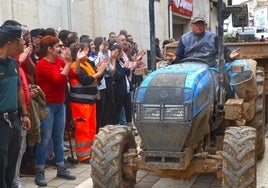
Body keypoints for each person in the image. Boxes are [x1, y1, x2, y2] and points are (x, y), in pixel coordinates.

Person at [35, 35, 79, 186]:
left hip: (60, 104)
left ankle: (61, 167)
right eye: (58, 46)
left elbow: (74, 74)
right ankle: (40, 171)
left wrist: (76, 61)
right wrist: (68, 63)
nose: (61, 49)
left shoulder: (59, 61)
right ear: (49, 49)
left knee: (59, 138)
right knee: (45, 139)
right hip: (47, 105)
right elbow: (58, 79)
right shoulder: (42, 64)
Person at [0, 23, 31, 188]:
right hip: (1, 123)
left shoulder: (13, 64)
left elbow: (19, 89)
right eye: (20, 39)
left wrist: (25, 114)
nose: (23, 43)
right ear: (10, 42)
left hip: (14, 120)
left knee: (12, 165)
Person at [69, 42, 107, 163]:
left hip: (90, 101)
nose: (88, 52)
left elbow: (96, 78)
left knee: (91, 128)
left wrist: (100, 71)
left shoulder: (87, 64)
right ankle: (83, 155)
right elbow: (85, 80)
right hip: (80, 103)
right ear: (78, 52)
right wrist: (99, 72)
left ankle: (90, 152)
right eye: (85, 50)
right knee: (83, 129)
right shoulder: (75, 65)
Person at [166, 16, 240, 66]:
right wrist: (174, 59)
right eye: (196, 24)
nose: (199, 26)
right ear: (191, 26)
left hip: (208, 67)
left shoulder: (213, 37)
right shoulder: (185, 38)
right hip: (188, 67)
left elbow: (223, 51)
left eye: (201, 24)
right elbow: (179, 56)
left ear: (205, 26)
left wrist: (229, 55)